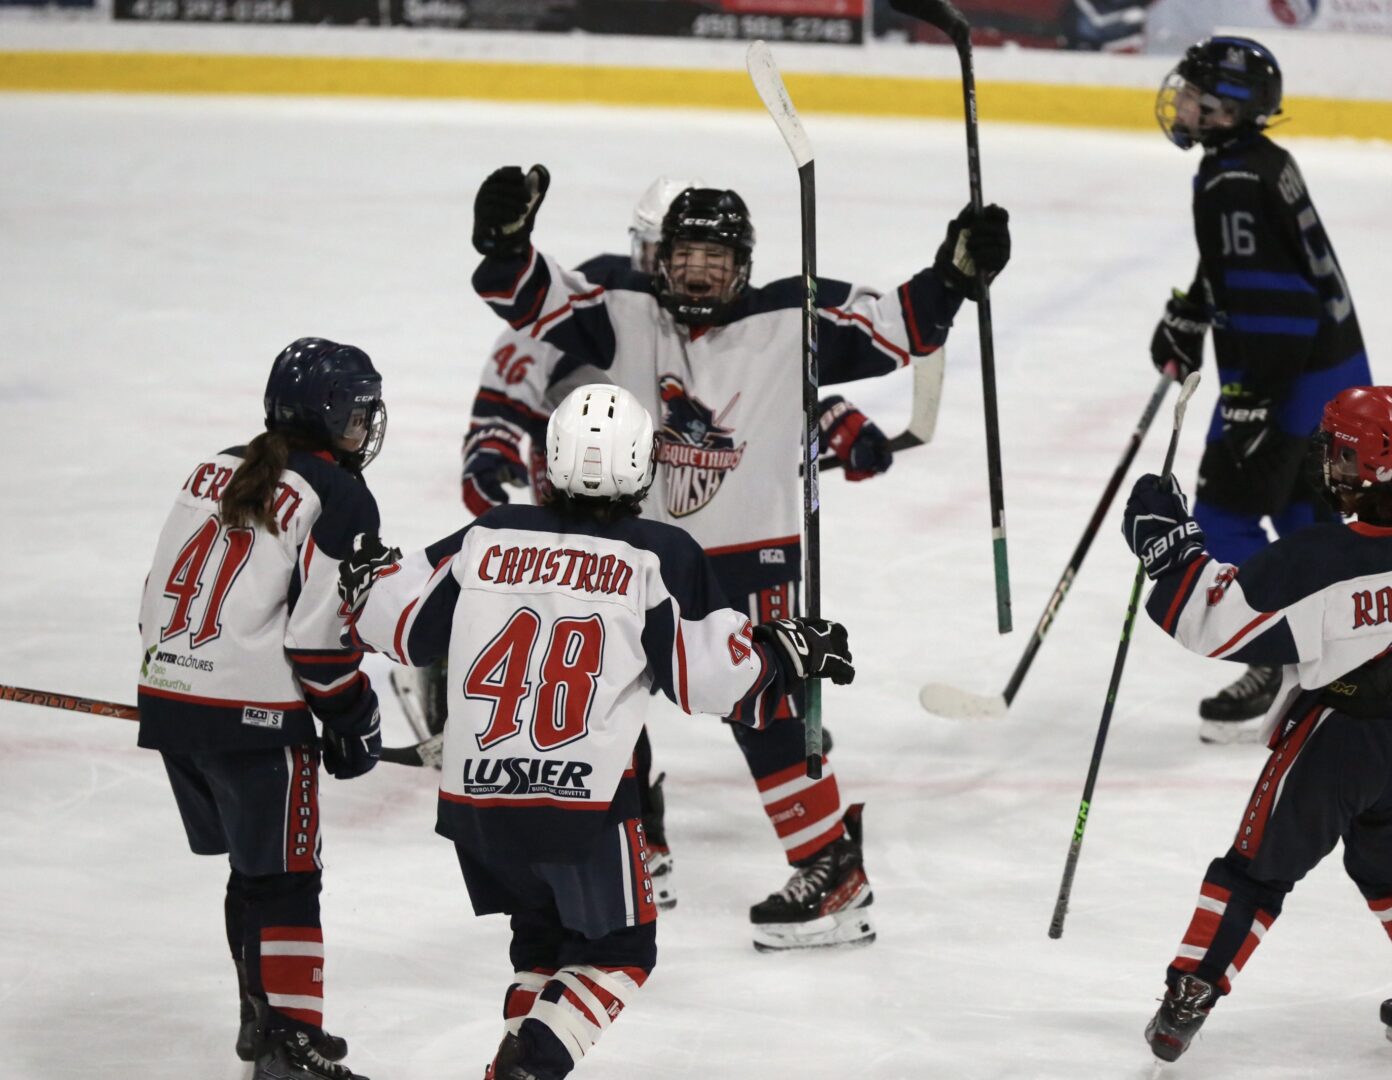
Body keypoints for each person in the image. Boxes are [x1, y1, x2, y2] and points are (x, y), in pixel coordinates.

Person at [459, 163, 1010, 949]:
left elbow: (902, 327)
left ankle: (831, 870)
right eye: (684, 256)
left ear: (744, 265)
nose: (697, 272)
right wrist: (506, 240)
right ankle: (630, 848)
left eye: (715, 260)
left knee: (771, 712)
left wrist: (955, 274)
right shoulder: (623, 311)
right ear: (662, 259)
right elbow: (529, 299)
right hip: (643, 555)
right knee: (603, 696)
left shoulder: (795, 316)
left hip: (755, 559)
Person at [342, 383, 858, 1080]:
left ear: (548, 464)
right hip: (582, 809)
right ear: (643, 468)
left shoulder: (487, 535)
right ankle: (529, 1072)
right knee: (621, 951)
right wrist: (786, 650)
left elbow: (392, 625)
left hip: (476, 805)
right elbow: (710, 680)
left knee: (542, 946)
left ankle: (516, 1067)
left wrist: (368, 573)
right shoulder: (658, 555)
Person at [1119, 384, 1392, 1062]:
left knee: (1255, 874)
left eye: (1335, 449)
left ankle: (1191, 994)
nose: (1325, 458)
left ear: (1356, 467)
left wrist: (1166, 544)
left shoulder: (1319, 560)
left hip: (1334, 740)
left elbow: (1208, 619)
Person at [136, 338, 390, 1080]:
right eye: (359, 411)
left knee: (255, 874)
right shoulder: (340, 495)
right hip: (256, 720)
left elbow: (153, 589)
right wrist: (354, 720)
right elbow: (319, 644)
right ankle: (289, 1047)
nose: (365, 426)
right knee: (285, 878)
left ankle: (263, 1020)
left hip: (173, 700)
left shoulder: (213, 466)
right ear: (331, 413)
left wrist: (183, 684)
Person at [1149, 36, 1374, 742]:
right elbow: (1251, 266)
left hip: (1288, 382)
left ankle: (1277, 661)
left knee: (1221, 519)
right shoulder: (1257, 163)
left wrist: (1252, 398)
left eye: (1194, 94)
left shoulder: (1231, 183)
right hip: (1335, 376)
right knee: (1308, 520)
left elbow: (1282, 306)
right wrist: (1194, 305)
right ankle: (1338, 666)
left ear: (1225, 109)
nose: (1180, 102)